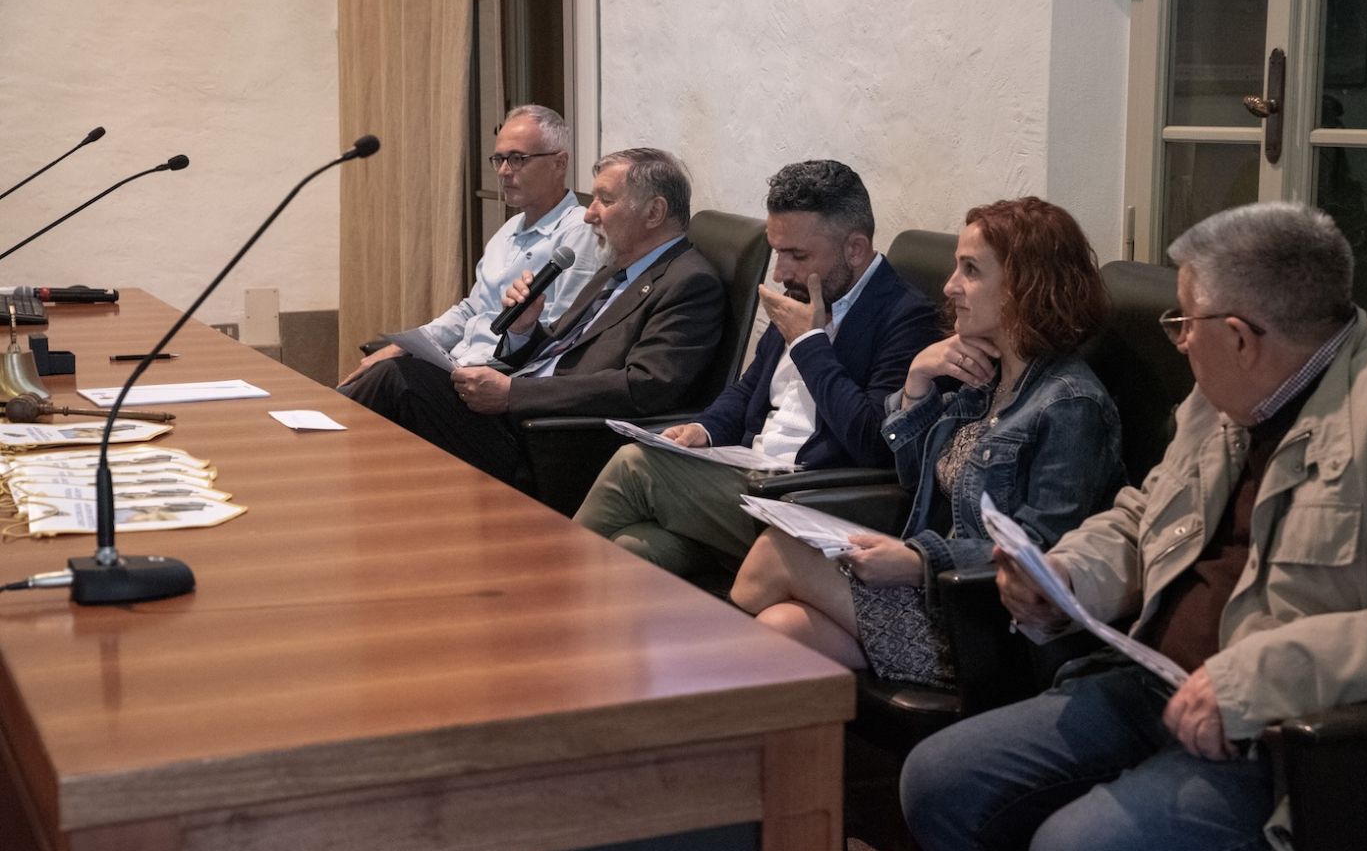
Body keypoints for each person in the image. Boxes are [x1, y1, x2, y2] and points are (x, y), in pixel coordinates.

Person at [900, 201, 1367, 851]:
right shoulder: (1222, 395)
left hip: (1276, 740)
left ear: (1240, 337)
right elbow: (1147, 512)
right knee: (939, 781)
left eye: (1184, 322)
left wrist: (1251, 679)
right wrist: (1069, 575)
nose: (1177, 341)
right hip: (1153, 682)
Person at [730, 197, 1124, 688]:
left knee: (776, 553)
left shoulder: (1070, 404)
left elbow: (1041, 556)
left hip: (983, 621)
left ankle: (679, 704)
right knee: (780, 629)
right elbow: (916, 481)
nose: (950, 286)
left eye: (970, 271)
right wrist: (917, 381)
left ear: (1024, 288)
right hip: (934, 594)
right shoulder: (984, 381)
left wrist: (919, 561)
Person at [572, 160, 940, 582]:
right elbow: (747, 390)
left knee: (634, 467)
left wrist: (809, 344)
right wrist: (705, 429)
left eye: (797, 255)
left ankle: (545, 592)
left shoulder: (905, 316)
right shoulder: (804, 292)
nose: (781, 272)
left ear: (854, 249)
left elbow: (874, 442)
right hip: (748, 479)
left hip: (809, 500)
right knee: (634, 548)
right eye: (778, 251)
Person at [344, 147, 725, 487]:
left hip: (550, 441)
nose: (589, 214)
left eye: (605, 200)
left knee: (400, 380)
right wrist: (525, 329)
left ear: (654, 212)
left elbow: (645, 387)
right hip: (519, 412)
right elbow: (559, 350)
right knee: (397, 379)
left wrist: (513, 395)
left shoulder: (689, 282)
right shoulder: (616, 269)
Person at [340, 104, 600, 388]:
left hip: (500, 377)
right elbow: (471, 310)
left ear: (559, 163)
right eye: (499, 159)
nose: (504, 171)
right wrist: (403, 346)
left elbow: (563, 333)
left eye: (517, 159)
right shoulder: (509, 230)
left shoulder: (578, 232)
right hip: (459, 361)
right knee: (385, 368)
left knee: (393, 379)